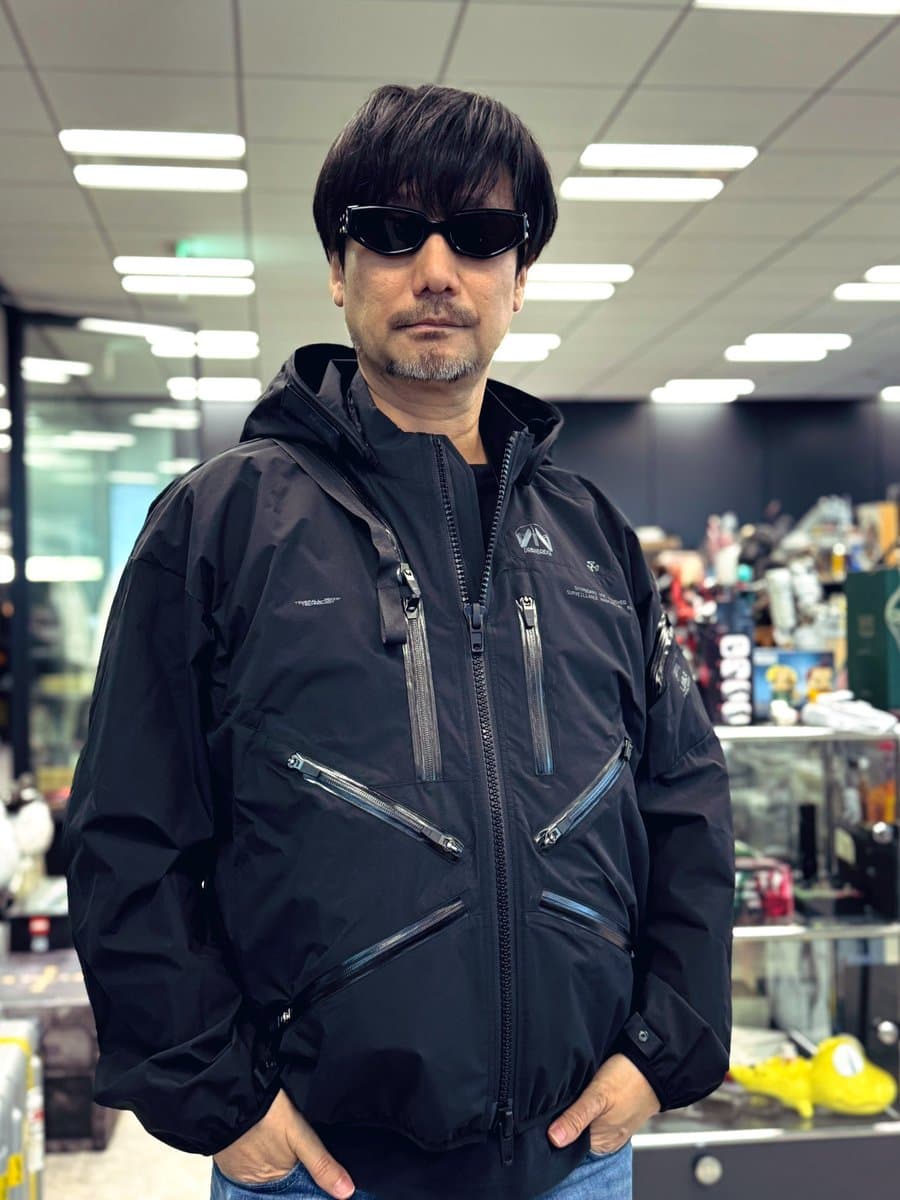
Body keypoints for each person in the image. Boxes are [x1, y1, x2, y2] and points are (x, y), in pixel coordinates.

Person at [64, 84, 734, 1200]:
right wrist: (220, 1100)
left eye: (478, 235)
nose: (435, 270)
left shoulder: (593, 538)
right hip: (319, 1167)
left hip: (577, 1158)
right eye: (390, 232)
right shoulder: (222, 523)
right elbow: (127, 833)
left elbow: (684, 802)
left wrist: (667, 1044)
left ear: (519, 276)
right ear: (339, 270)